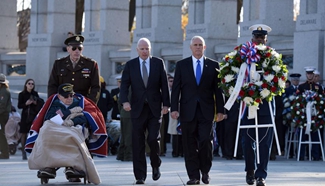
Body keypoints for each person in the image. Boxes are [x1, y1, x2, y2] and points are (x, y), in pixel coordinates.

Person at [25, 83, 107, 184]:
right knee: (45, 132)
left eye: (71, 95)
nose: (69, 98)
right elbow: (48, 117)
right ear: (59, 96)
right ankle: (48, 166)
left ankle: (73, 166)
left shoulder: (78, 103)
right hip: (55, 129)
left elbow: (84, 117)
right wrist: (69, 112)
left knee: (73, 135)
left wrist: (72, 121)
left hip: (72, 128)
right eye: (66, 96)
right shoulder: (54, 104)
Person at [170, 35, 225, 185]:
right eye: (195, 44)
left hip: (206, 111)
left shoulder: (213, 65)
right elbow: (176, 89)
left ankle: (205, 171)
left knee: (205, 141)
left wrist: (221, 110)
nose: (198, 47)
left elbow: (218, 90)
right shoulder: (182, 65)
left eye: (200, 44)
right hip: (188, 111)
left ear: (205, 47)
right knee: (189, 144)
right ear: (190, 47)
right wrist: (174, 108)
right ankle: (193, 176)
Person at [119, 37, 170, 184]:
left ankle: (155, 164)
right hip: (137, 109)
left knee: (153, 139)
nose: (144, 51)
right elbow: (124, 86)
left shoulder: (158, 63)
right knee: (138, 142)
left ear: (150, 49)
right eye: (142, 48)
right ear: (137, 50)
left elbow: (164, 85)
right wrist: (125, 101)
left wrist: (166, 104)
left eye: (147, 48)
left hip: (155, 108)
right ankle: (140, 175)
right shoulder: (130, 65)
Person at [240, 24, 275, 186]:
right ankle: (250, 171)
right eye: (257, 38)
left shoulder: (272, 58)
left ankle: (261, 175)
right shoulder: (243, 56)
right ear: (252, 40)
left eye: (262, 38)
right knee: (247, 141)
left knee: (264, 142)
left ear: (266, 40)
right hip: (248, 105)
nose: (259, 40)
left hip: (265, 105)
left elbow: (278, 79)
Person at [48, 35, 101, 103]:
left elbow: (96, 87)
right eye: (74, 48)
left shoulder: (91, 64)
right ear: (68, 49)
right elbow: (52, 85)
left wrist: (90, 103)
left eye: (79, 48)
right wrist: (55, 102)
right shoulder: (59, 64)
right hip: (63, 102)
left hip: (83, 102)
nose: (77, 51)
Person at [296, 67, 323, 161]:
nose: (310, 75)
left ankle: (315, 155)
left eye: (311, 74)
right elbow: (297, 99)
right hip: (304, 115)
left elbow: (322, 98)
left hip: (314, 115)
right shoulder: (302, 86)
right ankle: (301, 155)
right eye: (308, 74)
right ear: (306, 75)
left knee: (315, 134)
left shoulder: (318, 87)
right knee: (303, 135)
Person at [17, 79, 44, 160]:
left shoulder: (35, 93)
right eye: (29, 83)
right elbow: (19, 106)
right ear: (26, 85)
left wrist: (35, 103)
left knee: (34, 132)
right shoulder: (22, 94)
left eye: (32, 84)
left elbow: (40, 104)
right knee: (24, 133)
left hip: (33, 115)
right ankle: (23, 152)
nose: (31, 85)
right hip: (25, 116)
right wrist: (26, 103)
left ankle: (34, 151)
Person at [167, 75, 183, 158]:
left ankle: (182, 151)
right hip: (173, 113)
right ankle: (175, 151)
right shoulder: (169, 91)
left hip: (183, 112)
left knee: (183, 134)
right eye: (170, 81)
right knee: (175, 133)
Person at [116, 86, 133, 162]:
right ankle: (128, 155)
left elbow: (119, 101)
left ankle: (121, 154)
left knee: (124, 135)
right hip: (130, 114)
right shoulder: (132, 87)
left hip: (124, 113)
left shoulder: (125, 87)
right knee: (129, 136)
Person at [0, 74, 12, 159]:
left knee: (2, 134)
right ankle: (4, 152)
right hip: (3, 114)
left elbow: (2, 105)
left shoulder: (3, 91)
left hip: (2, 115)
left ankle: (5, 153)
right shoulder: (3, 90)